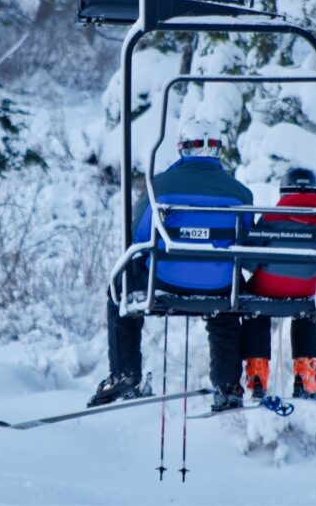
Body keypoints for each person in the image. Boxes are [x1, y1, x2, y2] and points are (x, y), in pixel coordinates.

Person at [89, 119, 255, 412]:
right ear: (218, 150)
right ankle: (228, 385)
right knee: (228, 306)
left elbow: (138, 235)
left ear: (182, 148)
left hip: (163, 280)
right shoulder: (240, 194)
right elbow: (246, 240)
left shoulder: (159, 187)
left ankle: (124, 373)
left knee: (120, 288)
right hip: (218, 286)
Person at [238, 167, 316, 400]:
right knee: (312, 306)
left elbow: (248, 259)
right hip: (306, 288)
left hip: (267, 287)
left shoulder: (270, 218)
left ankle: (257, 372)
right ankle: (305, 373)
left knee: (253, 307)